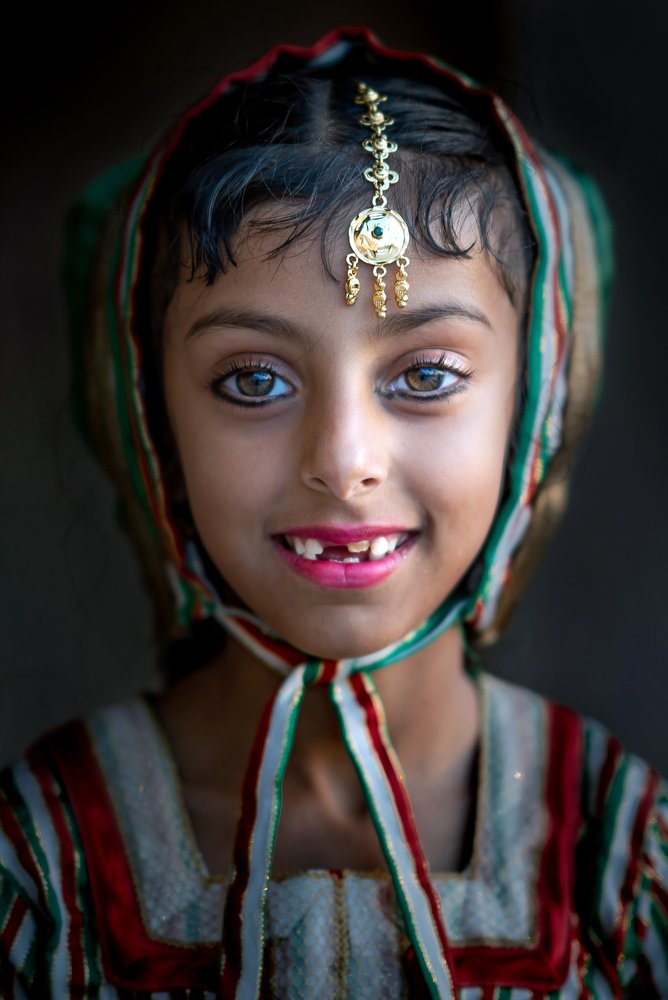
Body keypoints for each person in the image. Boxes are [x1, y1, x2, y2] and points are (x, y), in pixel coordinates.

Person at [0, 25, 665, 999]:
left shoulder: (623, 859)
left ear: (530, 409)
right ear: (152, 418)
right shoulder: (39, 865)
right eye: (253, 378)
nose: (342, 461)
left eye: (426, 373)